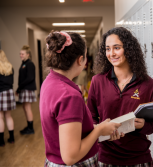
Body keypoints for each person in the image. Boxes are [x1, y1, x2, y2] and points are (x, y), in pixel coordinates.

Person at [40, 31, 121, 166]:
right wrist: (99, 130)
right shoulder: (69, 95)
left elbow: (64, 128)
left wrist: (97, 127)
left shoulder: (49, 81)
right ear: (80, 60)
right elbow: (70, 157)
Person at [87, 27, 153, 166]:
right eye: (107, 49)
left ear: (128, 49)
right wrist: (101, 130)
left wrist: (142, 126)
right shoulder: (97, 81)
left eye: (116, 48)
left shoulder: (148, 84)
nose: (111, 53)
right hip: (106, 157)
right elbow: (90, 118)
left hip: (139, 157)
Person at [16, 45, 36, 135]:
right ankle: (28, 126)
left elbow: (30, 78)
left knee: (27, 108)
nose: (21, 55)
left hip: (28, 89)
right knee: (25, 107)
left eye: (22, 54)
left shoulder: (29, 64)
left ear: (28, 54)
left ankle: (31, 128)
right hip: (24, 89)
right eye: (20, 54)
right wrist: (19, 88)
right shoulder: (23, 63)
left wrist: (20, 87)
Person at [0, 50, 16, 146]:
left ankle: (1, 141)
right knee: (8, 116)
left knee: (0, 117)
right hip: (9, 92)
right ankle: (12, 138)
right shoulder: (10, 67)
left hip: (0, 93)